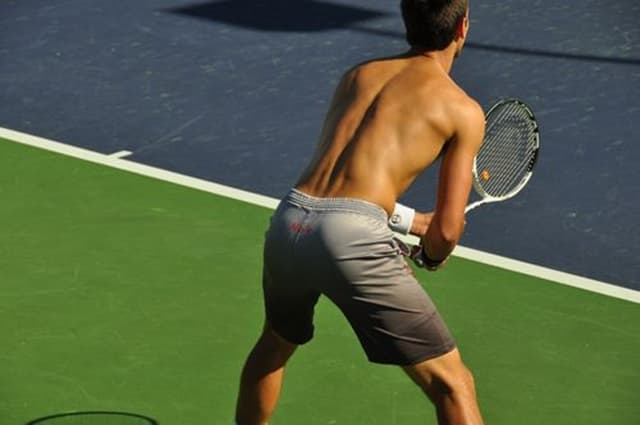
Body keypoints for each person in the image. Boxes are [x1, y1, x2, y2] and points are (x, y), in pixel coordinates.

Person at [234, 0, 486, 424]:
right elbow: (445, 233)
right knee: (452, 385)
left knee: (274, 343)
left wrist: (410, 222)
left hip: (290, 221)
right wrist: (432, 254)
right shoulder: (463, 110)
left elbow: (342, 186)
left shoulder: (357, 76)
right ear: (462, 27)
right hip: (351, 240)